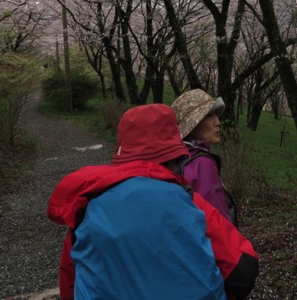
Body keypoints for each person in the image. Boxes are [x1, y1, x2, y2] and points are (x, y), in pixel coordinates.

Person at [47, 103, 258, 300]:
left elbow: (69, 283)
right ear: (175, 154)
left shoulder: (86, 206)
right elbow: (243, 270)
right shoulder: (189, 200)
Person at [172, 89, 238, 225]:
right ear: (193, 125)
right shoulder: (202, 164)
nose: (218, 122)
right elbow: (217, 221)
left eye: (216, 115)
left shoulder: (178, 157)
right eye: (209, 116)